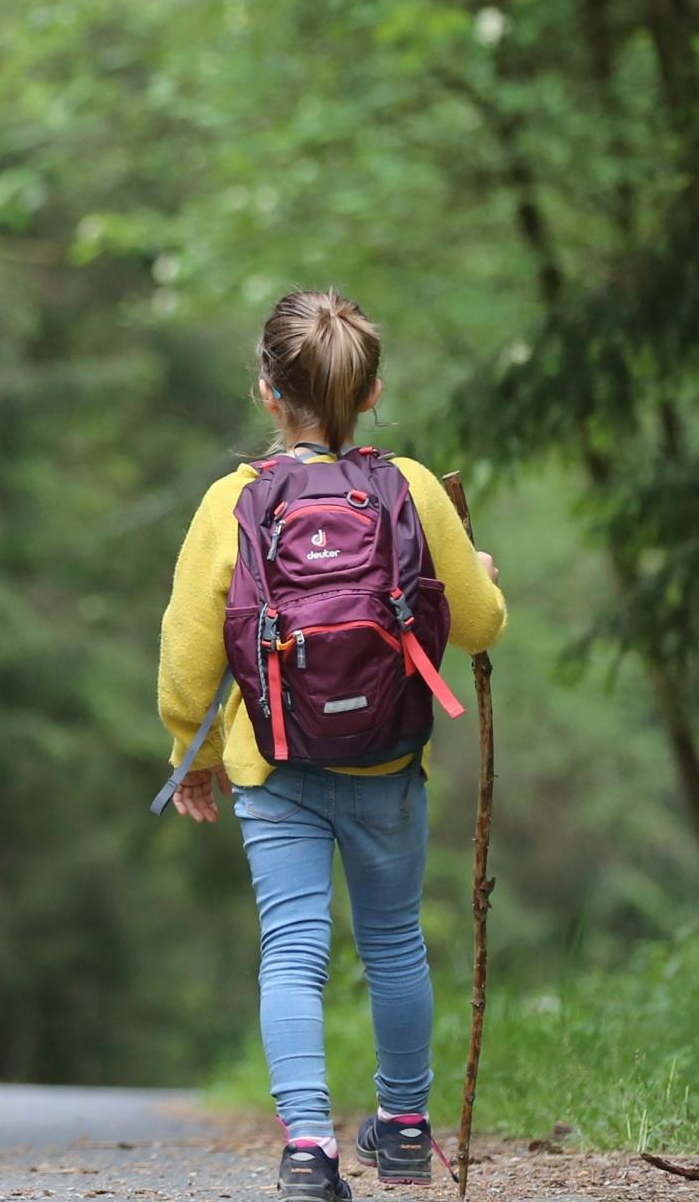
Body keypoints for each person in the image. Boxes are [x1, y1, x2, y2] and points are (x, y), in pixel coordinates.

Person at [158, 290, 506, 1200]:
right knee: (392, 941)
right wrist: (483, 577)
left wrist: (189, 757)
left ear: (267, 391)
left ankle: (307, 1147)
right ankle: (401, 1127)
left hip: (274, 766)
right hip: (387, 762)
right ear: (374, 391)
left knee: (292, 950)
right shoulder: (413, 488)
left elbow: (189, 654)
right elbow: (478, 624)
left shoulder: (234, 500)